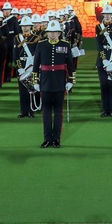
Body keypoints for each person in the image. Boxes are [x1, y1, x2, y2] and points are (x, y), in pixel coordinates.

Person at [32, 20, 76, 148]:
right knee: (46, 112)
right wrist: (35, 81)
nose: (52, 34)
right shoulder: (41, 45)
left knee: (58, 112)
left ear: (58, 33)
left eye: (54, 32)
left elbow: (70, 65)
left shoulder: (65, 45)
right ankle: (47, 139)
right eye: (50, 32)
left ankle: (56, 139)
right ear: (47, 33)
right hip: (45, 82)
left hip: (59, 82)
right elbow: (36, 65)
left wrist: (71, 80)